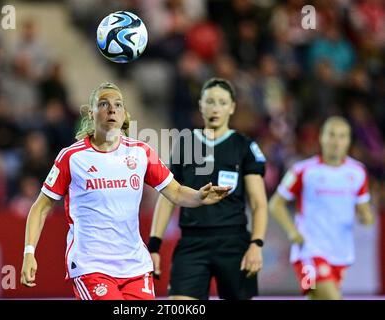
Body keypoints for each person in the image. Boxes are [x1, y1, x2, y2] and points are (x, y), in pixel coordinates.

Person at [20, 82, 232, 300]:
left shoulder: (140, 153)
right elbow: (40, 207)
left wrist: (199, 196)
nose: (112, 109)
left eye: (118, 104)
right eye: (104, 104)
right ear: (90, 113)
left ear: (124, 114)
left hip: (135, 266)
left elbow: (175, 192)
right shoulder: (72, 157)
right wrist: (29, 253)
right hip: (91, 266)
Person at [148, 77, 268, 300]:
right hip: (192, 243)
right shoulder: (185, 143)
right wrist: (154, 245)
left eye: (222, 102)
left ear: (232, 107)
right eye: (210, 101)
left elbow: (259, 203)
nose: (215, 108)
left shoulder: (244, 146)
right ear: (200, 105)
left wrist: (256, 245)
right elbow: (167, 196)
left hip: (233, 243)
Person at [269, 116, 374, 300]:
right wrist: (292, 232)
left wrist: (366, 217)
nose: (336, 141)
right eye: (331, 135)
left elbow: (364, 211)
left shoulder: (357, 172)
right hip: (308, 252)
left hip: (340, 254)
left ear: (348, 141)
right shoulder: (303, 170)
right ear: (321, 138)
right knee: (332, 298)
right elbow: (276, 204)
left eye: (342, 136)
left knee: (314, 297)